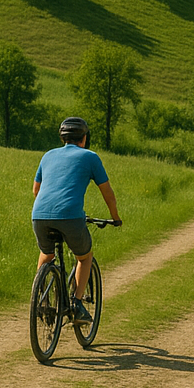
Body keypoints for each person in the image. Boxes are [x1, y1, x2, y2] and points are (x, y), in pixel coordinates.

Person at [31, 117, 121, 323]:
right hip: (70, 215)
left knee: (46, 253)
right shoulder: (90, 157)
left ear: (62, 137)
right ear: (84, 138)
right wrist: (115, 218)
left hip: (39, 215)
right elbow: (107, 192)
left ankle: (41, 300)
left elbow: (36, 190)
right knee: (85, 257)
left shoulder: (48, 156)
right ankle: (77, 304)